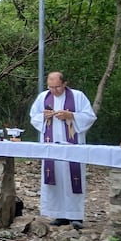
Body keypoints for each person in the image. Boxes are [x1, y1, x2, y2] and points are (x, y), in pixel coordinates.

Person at [29, 71, 97, 229]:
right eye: (50, 87)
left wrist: (71, 115)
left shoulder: (78, 96)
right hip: (51, 146)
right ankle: (59, 214)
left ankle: (75, 216)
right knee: (55, 178)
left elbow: (90, 116)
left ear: (65, 83)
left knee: (72, 178)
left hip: (72, 145)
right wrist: (43, 116)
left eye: (57, 87)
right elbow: (34, 116)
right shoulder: (43, 97)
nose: (53, 90)